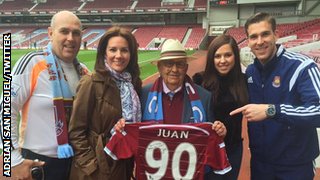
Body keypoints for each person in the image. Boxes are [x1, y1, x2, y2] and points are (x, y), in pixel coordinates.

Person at [115, 39, 229, 179]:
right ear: (160, 67)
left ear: (186, 68)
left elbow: (209, 138)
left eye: (180, 64)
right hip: (153, 174)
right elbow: (133, 132)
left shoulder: (204, 97)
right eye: (169, 64)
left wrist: (219, 131)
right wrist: (123, 126)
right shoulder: (142, 95)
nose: (174, 70)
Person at [230, 12, 320, 180]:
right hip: (261, 164)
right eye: (253, 37)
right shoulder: (250, 71)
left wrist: (273, 111)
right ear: (248, 42)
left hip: (295, 166)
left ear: (276, 35)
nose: (260, 41)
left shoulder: (302, 66)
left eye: (265, 34)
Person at [0, 10, 88, 180]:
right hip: (37, 163)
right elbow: (6, 109)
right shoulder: (32, 62)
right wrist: (14, 160)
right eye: (64, 31)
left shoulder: (84, 71)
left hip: (76, 163)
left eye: (76, 33)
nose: (71, 38)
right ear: (50, 33)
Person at [68, 26, 142, 180]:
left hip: (123, 166)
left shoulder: (133, 84)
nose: (118, 55)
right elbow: (76, 132)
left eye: (124, 50)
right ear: (104, 53)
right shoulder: (91, 83)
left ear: (131, 54)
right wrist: (92, 167)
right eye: (113, 50)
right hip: (95, 171)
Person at [193, 34, 248, 180]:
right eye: (217, 56)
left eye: (228, 55)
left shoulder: (244, 81)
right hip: (206, 151)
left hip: (233, 149)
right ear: (212, 58)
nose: (222, 61)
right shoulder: (199, 80)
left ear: (235, 56)